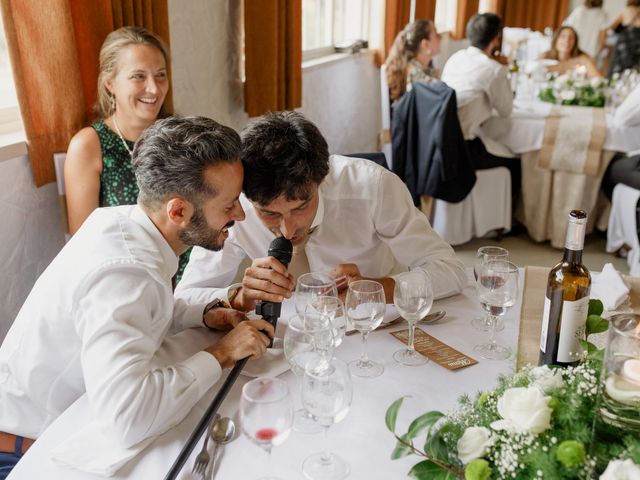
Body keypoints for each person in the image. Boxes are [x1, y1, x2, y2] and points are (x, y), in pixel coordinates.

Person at [0, 116, 274, 478]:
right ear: (178, 211)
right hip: (31, 449)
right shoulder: (123, 274)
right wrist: (222, 353)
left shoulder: (123, 223)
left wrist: (209, 312)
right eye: (228, 206)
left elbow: (145, 311)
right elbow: (128, 416)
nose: (240, 214)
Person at [175, 111, 467, 311]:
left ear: (322, 179)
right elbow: (185, 297)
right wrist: (238, 297)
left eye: (301, 207)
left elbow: (450, 272)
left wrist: (380, 288)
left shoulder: (373, 187)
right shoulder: (234, 206)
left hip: (374, 327)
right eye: (269, 214)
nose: (287, 231)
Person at [64, 27, 191, 283]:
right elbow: (84, 243)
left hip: (191, 281)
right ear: (110, 83)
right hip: (126, 283)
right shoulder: (90, 145)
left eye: (160, 75)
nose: (154, 89)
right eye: (138, 76)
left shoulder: (182, 136)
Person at [441, 13, 521, 200]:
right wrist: (504, 68)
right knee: (516, 162)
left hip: (442, 140)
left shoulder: (456, 57)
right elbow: (506, 110)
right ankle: (506, 224)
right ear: (495, 39)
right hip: (465, 150)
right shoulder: (493, 69)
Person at [384, 19, 442, 102]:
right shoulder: (414, 73)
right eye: (436, 35)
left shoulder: (425, 67)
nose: (440, 38)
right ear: (425, 44)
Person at [604, 0, 640, 76]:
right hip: (638, 43)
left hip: (627, 41)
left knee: (620, 67)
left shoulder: (627, 10)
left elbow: (611, 27)